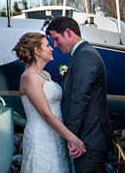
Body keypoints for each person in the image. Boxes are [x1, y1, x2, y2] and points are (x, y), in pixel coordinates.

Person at [47, 15, 111, 173]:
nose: (55, 45)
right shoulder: (82, 55)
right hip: (87, 137)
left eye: (56, 39)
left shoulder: (85, 56)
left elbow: (80, 97)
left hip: (88, 138)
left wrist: (72, 136)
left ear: (68, 33)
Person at [14, 32, 81, 173]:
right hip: (41, 136)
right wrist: (72, 138)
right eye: (47, 45)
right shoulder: (28, 78)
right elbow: (45, 113)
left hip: (56, 135)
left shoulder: (46, 75)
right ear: (37, 51)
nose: (52, 48)